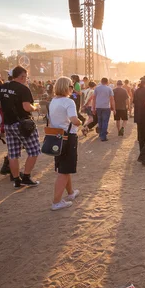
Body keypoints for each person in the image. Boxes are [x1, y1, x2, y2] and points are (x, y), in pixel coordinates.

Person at [0, 66, 41, 188]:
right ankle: (26, 177)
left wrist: (0, 105)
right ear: (21, 76)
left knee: (13, 153)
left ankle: (16, 180)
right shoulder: (23, 89)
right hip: (23, 124)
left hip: (8, 124)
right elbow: (27, 107)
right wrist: (36, 107)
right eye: (25, 77)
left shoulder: (4, 86)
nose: (26, 79)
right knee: (34, 150)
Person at [48, 76, 82, 211]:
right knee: (65, 170)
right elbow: (74, 120)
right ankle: (56, 202)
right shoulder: (69, 102)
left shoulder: (53, 101)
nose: (72, 89)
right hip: (69, 137)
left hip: (57, 136)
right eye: (71, 86)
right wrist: (81, 122)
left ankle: (70, 193)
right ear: (66, 87)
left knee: (63, 167)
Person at [93, 77, 115, 142]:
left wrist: (93, 107)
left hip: (98, 106)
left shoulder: (97, 88)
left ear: (101, 81)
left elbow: (94, 98)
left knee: (100, 121)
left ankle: (101, 134)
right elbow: (112, 99)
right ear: (107, 82)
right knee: (105, 121)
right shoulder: (109, 89)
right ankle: (103, 136)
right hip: (106, 107)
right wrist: (113, 108)